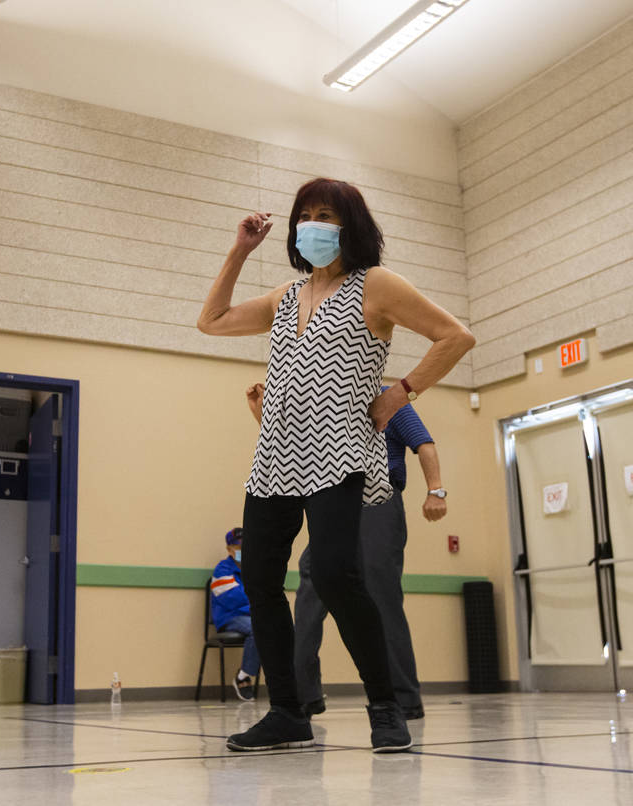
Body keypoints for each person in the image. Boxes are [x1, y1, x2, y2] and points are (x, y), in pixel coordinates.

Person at [196, 178, 474, 753]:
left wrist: (401, 393)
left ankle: (385, 708)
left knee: (336, 575)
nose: (313, 224)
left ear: (350, 224)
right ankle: (287, 713)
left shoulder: (376, 285)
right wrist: (239, 250)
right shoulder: (285, 296)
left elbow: (455, 335)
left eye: (326, 214)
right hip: (274, 456)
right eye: (305, 215)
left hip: (339, 453)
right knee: (262, 580)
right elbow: (213, 320)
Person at [247, 383, 444, 721]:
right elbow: (290, 442)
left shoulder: (388, 396)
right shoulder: (328, 398)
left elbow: (423, 444)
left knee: (382, 595)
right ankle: (303, 695)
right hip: (334, 502)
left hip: (378, 503)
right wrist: (262, 409)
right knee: (310, 586)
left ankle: (402, 698)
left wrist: (436, 491)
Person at [209, 527, 261, 701]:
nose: (243, 551)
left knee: (282, 628)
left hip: (250, 615)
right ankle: (243, 676)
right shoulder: (222, 570)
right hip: (229, 618)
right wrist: (256, 606)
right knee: (258, 628)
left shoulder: (254, 569)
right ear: (229, 549)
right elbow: (235, 600)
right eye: (239, 548)